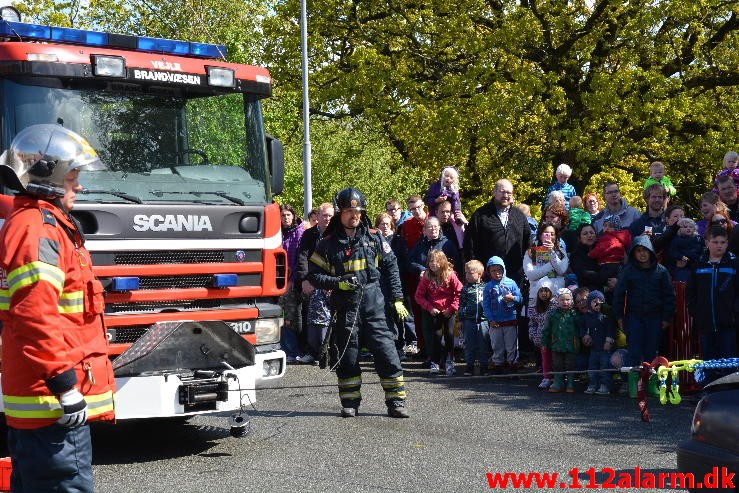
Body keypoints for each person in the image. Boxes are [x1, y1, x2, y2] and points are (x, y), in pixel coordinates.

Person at [0, 124, 115, 492]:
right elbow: (35, 315)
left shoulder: (40, 224)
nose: (78, 186)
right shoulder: (40, 228)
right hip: (50, 405)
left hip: (44, 402)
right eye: (73, 177)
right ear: (50, 175)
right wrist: (65, 386)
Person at [307, 188, 410, 418]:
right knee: (348, 357)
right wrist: (337, 283)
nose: (355, 215)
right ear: (340, 213)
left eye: (358, 211)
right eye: (349, 211)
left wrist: (398, 299)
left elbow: (391, 267)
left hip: (375, 307)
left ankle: (396, 403)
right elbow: (313, 275)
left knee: (387, 354)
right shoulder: (327, 244)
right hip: (345, 309)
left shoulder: (374, 238)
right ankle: (350, 402)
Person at [612, 236, 676, 396]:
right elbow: (619, 294)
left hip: (655, 318)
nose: (642, 254)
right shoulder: (628, 271)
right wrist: (619, 316)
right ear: (633, 253)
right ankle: (635, 385)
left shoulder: (661, 271)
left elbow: (669, 296)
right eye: (638, 251)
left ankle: (650, 384)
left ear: (651, 252)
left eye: (645, 250)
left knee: (651, 352)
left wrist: (667, 318)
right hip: (634, 317)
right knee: (634, 351)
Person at [686, 226, 739, 382]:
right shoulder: (699, 264)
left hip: (728, 322)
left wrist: (734, 312)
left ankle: (729, 391)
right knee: (708, 359)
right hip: (706, 322)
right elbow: (691, 291)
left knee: (729, 358)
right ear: (707, 242)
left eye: (723, 242)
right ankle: (708, 390)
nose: (719, 245)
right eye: (715, 242)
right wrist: (696, 311)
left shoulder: (734, 264)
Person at [464, 179, 531, 285]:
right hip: (488, 275)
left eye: (509, 193)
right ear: (494, 192)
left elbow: (528, 243)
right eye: (502, 191)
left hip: (515, 276)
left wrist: (525, 268)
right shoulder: (480, 215)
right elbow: (470, 244)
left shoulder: (520, 216)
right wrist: (477, 269)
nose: (506, 195)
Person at [296, 203, 335, 365]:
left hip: (333, 282)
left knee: (333, 320)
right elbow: (302, 257)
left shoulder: (338, 234)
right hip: (313, 282)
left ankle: (331, 353)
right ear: (317, 217)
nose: (327, 219)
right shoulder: (308, 234)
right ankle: (312, 352)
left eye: (330, 216)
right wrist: (304, 279)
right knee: (312, 320)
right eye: (324, 215)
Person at [414, 249, 462, 376]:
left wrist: (452, 308)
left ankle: (449, 361)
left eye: (436, 261)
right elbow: (418, 296)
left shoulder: (451, 275)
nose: (433, 264)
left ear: (442, 262)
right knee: (436, 336)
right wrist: (429, 308)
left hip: (448, 310)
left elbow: (459, 292)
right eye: (430, 261)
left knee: (449, 335)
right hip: (435, 311)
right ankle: (435, 362)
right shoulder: (427, 276)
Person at [375, 212, 417, 358]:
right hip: (379, 284)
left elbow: (404, 260)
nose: (385, 226)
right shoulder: (374, 241)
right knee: (384, 316)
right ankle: (388, 346)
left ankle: (404, 344)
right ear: (377, 226)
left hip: (397, 282)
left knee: (401, 315)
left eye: (387, 224)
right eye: (382, 224)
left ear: (392, 225)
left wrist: (390, 269)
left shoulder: (399, 241)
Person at [483, 256, 523, 374]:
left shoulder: (511, 283)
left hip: (510, 319)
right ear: (489, 272)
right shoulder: (488, 287)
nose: (497, 273)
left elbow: (520, 299)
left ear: (504, 269)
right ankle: (498, 366)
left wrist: (513, 298)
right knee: (496, 345)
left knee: (511, 346)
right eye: (493, 270)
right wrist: (490, 319)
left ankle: (513, 366)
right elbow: (486, 306)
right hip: (495, 322)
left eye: (499, 270)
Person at [523, 222, 569, 317]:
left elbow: (561, 270)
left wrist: (552, 253)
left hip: (556, 297)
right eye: (546, 233)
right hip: (537, 297)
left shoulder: (561, 252)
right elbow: (531, 275)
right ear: (540, 235)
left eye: (552, 234)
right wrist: (550, 266)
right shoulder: (531, 252)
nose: (549, 236)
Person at [278, 204, 305, 363]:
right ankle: (284, 348)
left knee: (290, 317)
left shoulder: (299, 233)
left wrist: (292, 280)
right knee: (280, 316)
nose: (286, 218)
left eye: (288, 215)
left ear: (293, 216)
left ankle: (292, 350)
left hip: (292, 282)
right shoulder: (279, 233)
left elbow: (298, 260)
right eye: (283, 215)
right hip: (279, 281)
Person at [541, 288, 580, 393]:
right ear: (557, 301)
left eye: (568, 299)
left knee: (570, 364)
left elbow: (581, 327)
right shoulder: (553, 315)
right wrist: (544, 343)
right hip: (557, 344)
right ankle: (558, 382)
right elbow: (546, 330)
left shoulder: (575, 315)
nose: (565, 302)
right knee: (557, 364)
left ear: (571, 300)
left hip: (572, 344)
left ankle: (570, 382)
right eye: (562, 300)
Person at [579, 290, 615, 395]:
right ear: (589, 303)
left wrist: (609, 341)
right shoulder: (586, 317)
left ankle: (605, 385)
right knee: (592, 367)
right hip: (593, 348)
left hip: (604, 348)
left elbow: (610, 330)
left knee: (605, 366)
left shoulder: (605, 317)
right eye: (595, 301)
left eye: (600, 301)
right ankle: (592, 384)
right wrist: (585, 336)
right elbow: (582, 328)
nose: (597, 303)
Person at [457, 260, 489, 376]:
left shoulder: (486, 287)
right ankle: (469, 366)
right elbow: (461, 305)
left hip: (484, 321)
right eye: (466, 273)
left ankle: (484, 367)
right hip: (469, 320)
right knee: (469, 345)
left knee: (483, 344)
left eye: (470, 273)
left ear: (479, 274)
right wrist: (460, 319)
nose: (467, 276)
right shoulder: (465, 289)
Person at [569, 223, 612, 293]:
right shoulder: (576, 255)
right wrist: (605, 279)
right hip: (586, 289)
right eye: (585, 234)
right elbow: (584, 274)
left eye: (591, 233)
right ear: (579, 238)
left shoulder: (604, 250)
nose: (589, 235)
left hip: (607, 284)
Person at [588, 215, 632, 283]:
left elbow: (601, 249)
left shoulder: (610, 238)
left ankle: (605, 288)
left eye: (610, 226)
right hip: (617, 264)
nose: (607, 228)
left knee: (601, 279)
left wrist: (591, 254)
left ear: (616, 227)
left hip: (609, 264)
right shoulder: (618, 237)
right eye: (605, 225)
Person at [528, 286, 557, 389]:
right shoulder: (534, 308)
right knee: (545, 359)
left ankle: (557, 378)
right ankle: (546, 378)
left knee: (557, 358)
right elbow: (532, 323)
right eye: (541, 291)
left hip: (555, 337)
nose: (544, 293)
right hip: (542, 338)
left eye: (546, 291)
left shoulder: (555, 305)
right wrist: (533, 335)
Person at [666, 218, 703, 282]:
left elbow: (703, 251)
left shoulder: (699, 239)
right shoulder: (676, 240)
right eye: (685, 227)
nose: (688, 228)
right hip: (683, 267)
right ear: (680, 229)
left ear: (694, 229)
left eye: (691, 227)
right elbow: (672, 251)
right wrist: (680, 256)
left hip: (697, 265)